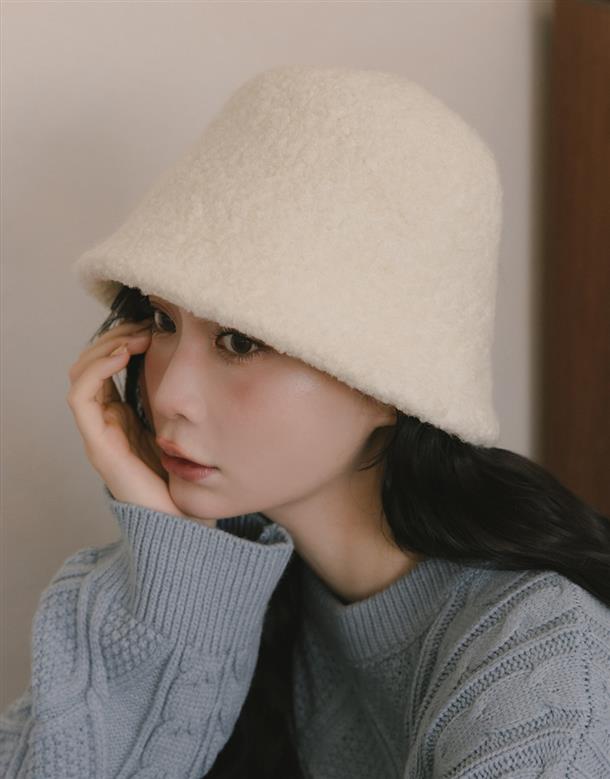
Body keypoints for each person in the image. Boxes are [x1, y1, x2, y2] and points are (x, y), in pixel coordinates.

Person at [1, 65, 609, 779]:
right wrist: (173, 564)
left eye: (240, 341)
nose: (171, 396)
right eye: (163, 322)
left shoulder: (542, 659)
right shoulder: (236, 582)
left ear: (391, 387)